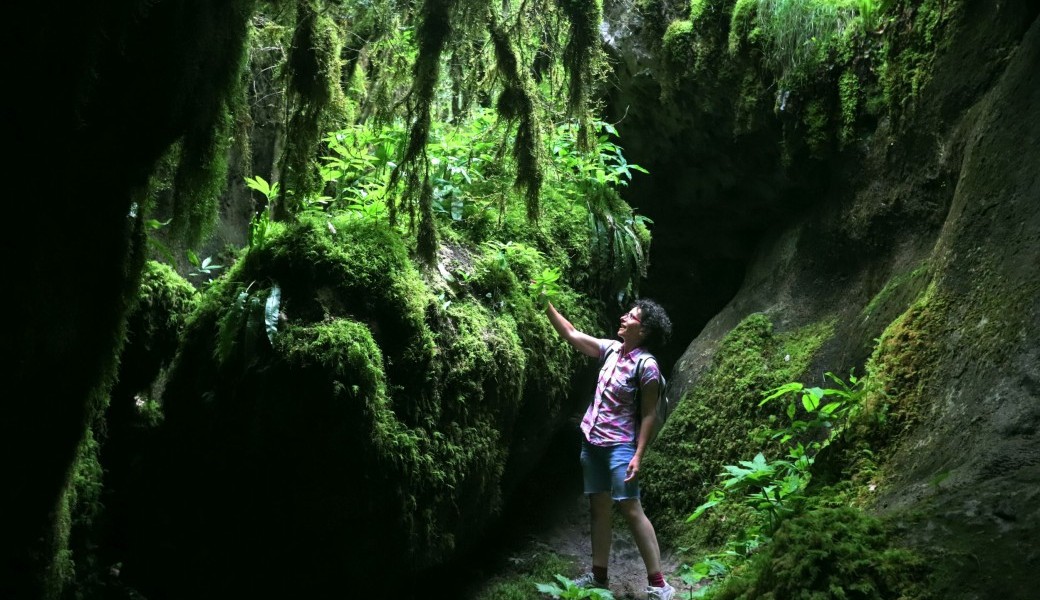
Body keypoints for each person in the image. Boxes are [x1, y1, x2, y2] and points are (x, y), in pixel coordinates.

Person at [545, 298, 676, 600]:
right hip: (592, 442)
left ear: (642, 331)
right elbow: (572, 335)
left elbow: (648, 415)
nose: (623, 317)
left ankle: (659, 584)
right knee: (598, 507)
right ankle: (599, 576)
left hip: (620, 447)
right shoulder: (611, 350)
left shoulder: (648, 367)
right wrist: (547, 306)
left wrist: (638, 455)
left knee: (631, 509)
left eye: (630, 316)